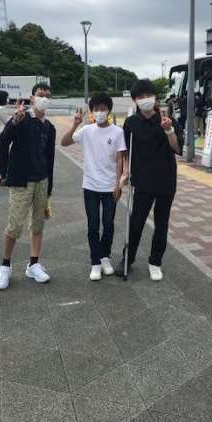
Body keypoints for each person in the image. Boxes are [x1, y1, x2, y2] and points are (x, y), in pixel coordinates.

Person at [115, 79, 183, 281]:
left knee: (162, 223)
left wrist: (169, 130)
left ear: (155, 97)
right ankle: (128, 259)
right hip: (142, 180)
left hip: (165, 179)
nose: (145, 99)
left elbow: (177, 148)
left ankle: (155, 262)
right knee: (136, 222)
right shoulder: (131, 123)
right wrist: (125, 173)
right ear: (135, 100)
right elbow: (125, 151)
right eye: (140, 96)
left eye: (148, 95)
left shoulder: (167, 120)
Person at [0, 83, 56, 289]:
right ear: (32, 98)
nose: (44, 98)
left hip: (42, 180)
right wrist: (13, 122)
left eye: (48, 96)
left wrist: (49, 187)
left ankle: (33, 264)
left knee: (38, 224)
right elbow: (3, 141)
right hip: (21, 180)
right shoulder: (21, 119)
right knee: (15, 225)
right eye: (41, 94)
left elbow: (50, 158)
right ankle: (5, 266)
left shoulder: (49, 127)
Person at [61, 93, 127, 281]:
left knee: (108, 224)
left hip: (110, 186)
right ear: (91, 111)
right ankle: (95, 262)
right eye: (96, 109)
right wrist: (74, 125)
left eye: (103, 108)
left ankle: (105, 257)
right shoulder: (86, 130)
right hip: (90, 186)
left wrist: (118, 183)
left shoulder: (117, 132)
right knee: (93, 225)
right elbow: (64, 142)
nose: (99, 112)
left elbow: (120, 159)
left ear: (109, 110)